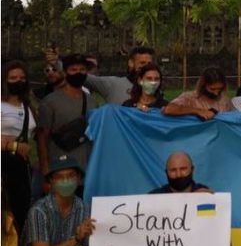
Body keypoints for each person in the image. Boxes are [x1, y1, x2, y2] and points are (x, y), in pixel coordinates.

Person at [143, 152, 238, 246]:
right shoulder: (153, 198)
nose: (178, 174)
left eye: (183, 169)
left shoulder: (205, 195)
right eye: (173, 170)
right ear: (166, 173)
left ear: (192, 170)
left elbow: (220, 230)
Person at [13, 155, 95, 246]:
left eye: (71, 175)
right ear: (51, 181)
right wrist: (76, 239)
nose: (66, 181)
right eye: (59, 177)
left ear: (79, 179)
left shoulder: (85, 208)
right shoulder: (39, 210)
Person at [36, 53, 98, 192]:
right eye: (73, 70)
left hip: (85, 172)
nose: (78, 73)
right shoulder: (50, 102)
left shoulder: (92, 101)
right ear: (65, 72)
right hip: (60, 171)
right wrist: (46, 172)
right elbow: (42, 138)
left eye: (82, 69)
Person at [2, 61, 36, 232]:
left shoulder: (27, 105)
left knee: (20, 213)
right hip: (3, 164)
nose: (18, 81)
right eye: (13, 78)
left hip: (21, 167)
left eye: (22, 78)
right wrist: (12, 145)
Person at [86, 45, 154, 105]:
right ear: (131, 63)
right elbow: (84, 78)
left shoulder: (154, 89)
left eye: (149, 64)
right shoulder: (112, 84)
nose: (146, 67)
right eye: (142, 63)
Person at [164, 67, 234, 120]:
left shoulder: (225, 101)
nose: (216, 93)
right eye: (212, 89)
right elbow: (169, 109)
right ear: (203, 85)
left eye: (220, 89)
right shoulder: (189, 98)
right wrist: (198, 111)